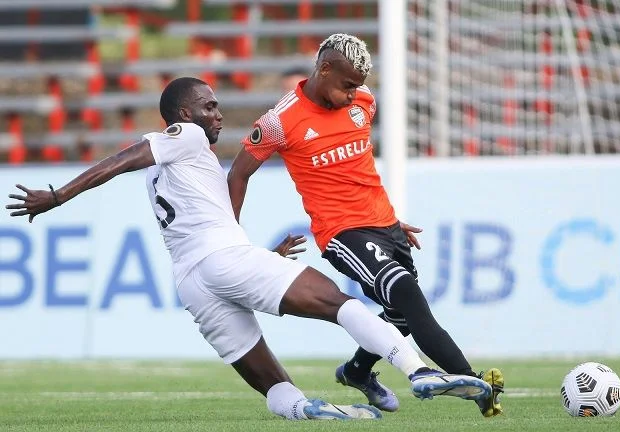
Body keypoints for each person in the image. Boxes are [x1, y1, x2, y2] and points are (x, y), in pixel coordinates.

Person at [6, 77, 491, 421]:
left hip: (194, 283)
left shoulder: (174, 170)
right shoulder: (185, 136)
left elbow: (207, 224)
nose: (217, 114)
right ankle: (417, 371)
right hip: (222, 261)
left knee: (271, 381)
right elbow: (122, 159)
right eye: (208, 106)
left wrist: (262, 254)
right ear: (183, 114)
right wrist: (58, 196)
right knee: (338, 304)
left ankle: (304, 409)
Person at [227, 34, 505, 417]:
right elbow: (238, 174)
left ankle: (357, 371)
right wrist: (231, 237)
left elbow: (355, 170)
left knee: (400, 315)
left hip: (386, 225)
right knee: (407, 294)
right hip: (343, 233)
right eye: (347, 85)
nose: (352, 94)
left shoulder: (364, 101)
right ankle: (473, 383)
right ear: (324, 69)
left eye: (356, 86)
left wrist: (391, 221)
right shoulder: (280, 121)